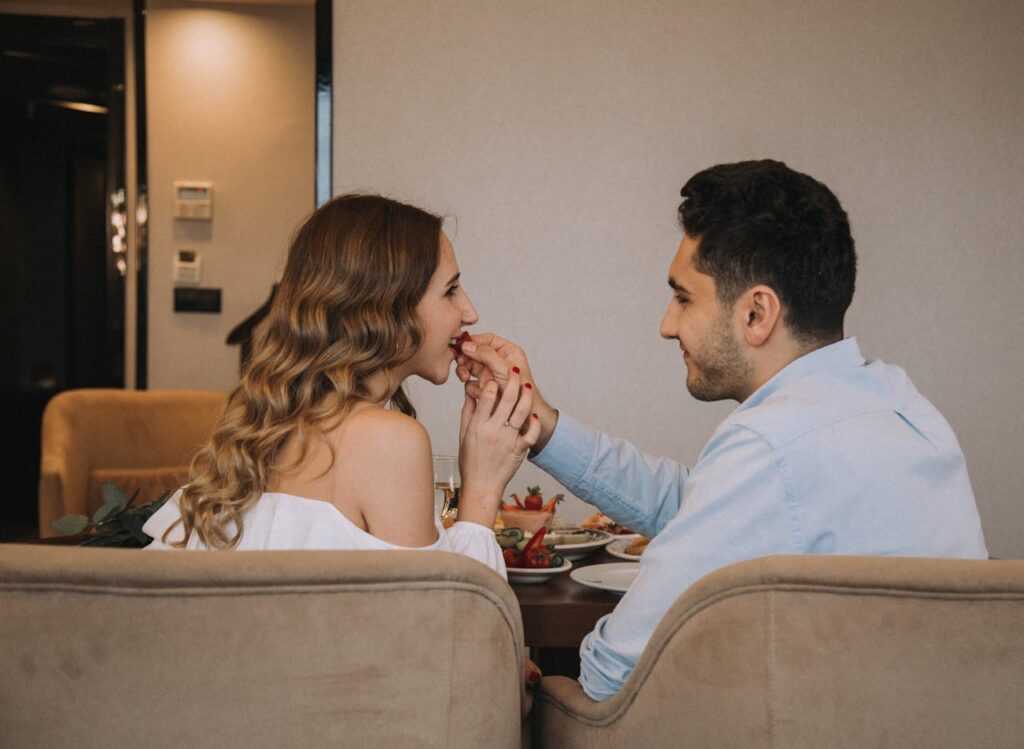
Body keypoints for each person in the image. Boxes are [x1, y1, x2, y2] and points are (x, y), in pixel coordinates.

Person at [456, 160, 988, 701]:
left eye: (684, 298)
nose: (667, 325)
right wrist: (539, 424)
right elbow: (694, 503)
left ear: (757, 313)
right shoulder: (902, 406)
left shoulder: (772, 442)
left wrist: (526, 682)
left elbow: (613, 677)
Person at [144, 194, 540, 587]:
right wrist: (483, 489)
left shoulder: (268, 420)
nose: (470, 313)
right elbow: (442, 634)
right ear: (387, 308)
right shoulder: (388, 439)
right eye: (450, 290)